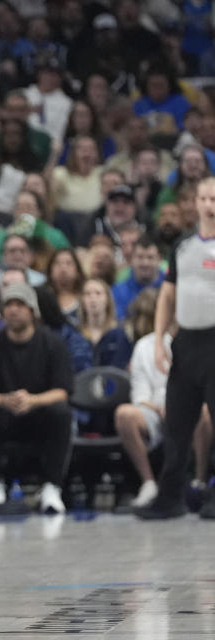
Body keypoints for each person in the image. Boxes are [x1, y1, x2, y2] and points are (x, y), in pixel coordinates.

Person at [137, 177, 215, 519]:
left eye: (214, 198)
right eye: (204, 198)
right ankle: (169, 499)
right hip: (186, 342)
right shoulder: (182, 246)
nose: (209, 205)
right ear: (194, 203)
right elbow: (167, 294)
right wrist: (158, 340)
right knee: (177, 425)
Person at [0, 283, 74, 513]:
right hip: (1, 417)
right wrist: (4, 400)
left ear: (32, 311)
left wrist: (33, 400)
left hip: (38, 416)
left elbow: (63, 390)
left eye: (20, 304)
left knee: (61, 412)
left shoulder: (53, 344)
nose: (13, 310)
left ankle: (52, 487)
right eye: (9, 305)